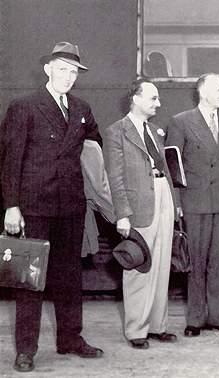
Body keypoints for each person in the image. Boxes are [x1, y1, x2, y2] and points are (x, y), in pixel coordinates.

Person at [1, 41, 104, 373]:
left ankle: (70, 339)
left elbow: (94, 144)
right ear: (47, 69)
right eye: (62, 69)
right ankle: (26, 349)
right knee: (30, 281)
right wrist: (11, 206)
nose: (69, 77)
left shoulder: (82, 108)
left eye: (74, 71)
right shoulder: (25, 106)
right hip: (33, 207)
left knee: (70, 277)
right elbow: (10, 160)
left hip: (70, 207)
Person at [166, 73, 219, 337]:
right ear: (203, 92)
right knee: (195, 261)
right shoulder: (180, 122)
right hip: (194, 202)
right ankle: (195, 320)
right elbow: (171, 167)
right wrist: (176, 203)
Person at [104, 78, 178, 349]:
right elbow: (115, 177)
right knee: (139, 265)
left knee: (161, 265)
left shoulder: (156, 131)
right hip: (138, 205)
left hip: (162, 197)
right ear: (135, 99)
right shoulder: (116, 132)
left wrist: (174, 201)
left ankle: (158, 326)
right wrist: (122, 214)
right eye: (153, 98)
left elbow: (167, 168)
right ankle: (137, 330)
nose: (158, 103)